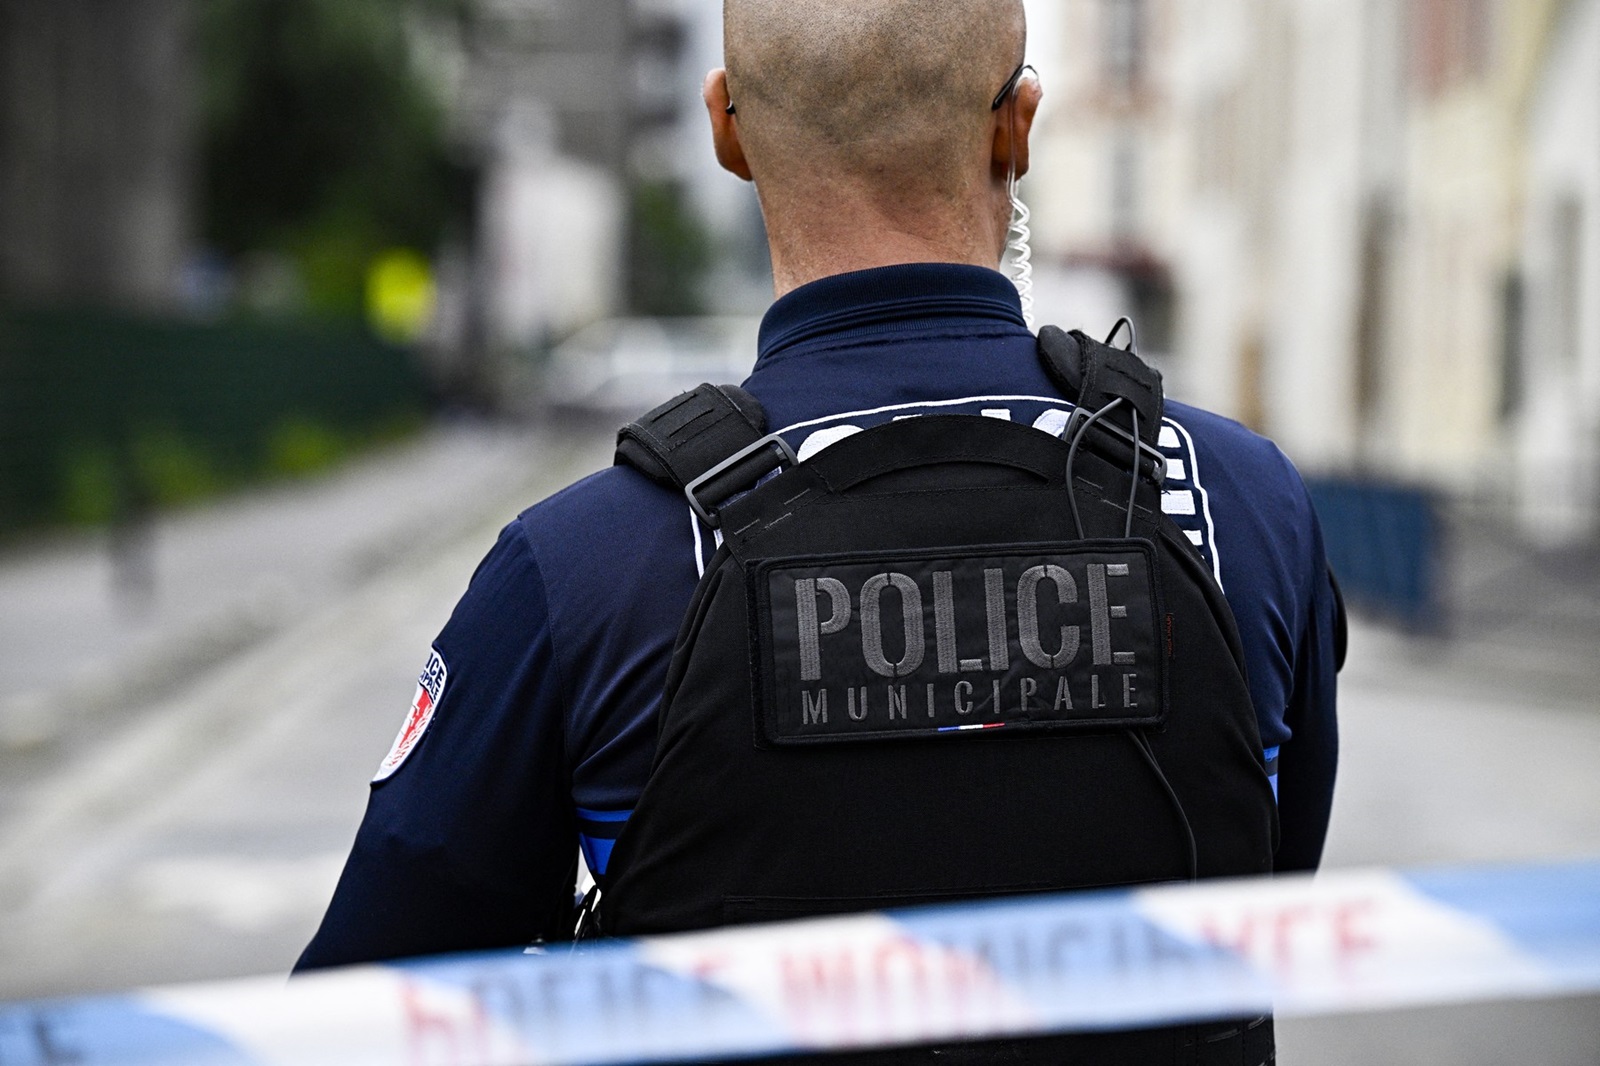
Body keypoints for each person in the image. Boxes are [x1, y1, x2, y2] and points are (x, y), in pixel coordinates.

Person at [300, 0, 1339, 1056]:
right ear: (1018, 124)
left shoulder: (582, 570)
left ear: (726, 132)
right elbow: (1263, 885)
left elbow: (356, 1021)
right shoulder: (1233, 503)